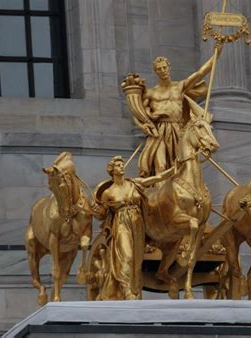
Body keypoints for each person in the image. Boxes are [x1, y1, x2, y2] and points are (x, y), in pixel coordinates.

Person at [91, 156, 174, 300]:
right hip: (121, 223)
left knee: (137, 260)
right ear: (112, 170)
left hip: (137, 223)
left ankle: (135, 290)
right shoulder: (108, 192)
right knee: (126, 256)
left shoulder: (135, 183)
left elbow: (157, 178)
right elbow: (101, 215)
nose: (122, 167)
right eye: (118, 165)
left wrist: (175, 168)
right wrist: (93, 210)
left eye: (122, 164)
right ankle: (126, 290)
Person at [130, 47, 222, 177]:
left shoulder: (180, 86)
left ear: (169, 68)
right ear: (155, 71)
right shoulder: (151, 93)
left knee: (181, 165)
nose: (163, 71)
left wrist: (217, 54)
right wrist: (142, 126)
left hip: (179, 129)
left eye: (164, 67)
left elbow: (201, 72)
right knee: (160, 165)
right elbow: (138, 113)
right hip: (159, 132)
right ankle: (159, 194)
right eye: (159, 69)